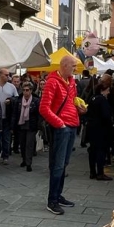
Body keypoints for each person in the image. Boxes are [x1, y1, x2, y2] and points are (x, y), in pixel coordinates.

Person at [39, 55, 86, 215]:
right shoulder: (52, 82)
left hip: (71, 125)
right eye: (73, 66)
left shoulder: (71, 82)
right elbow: (44, 108)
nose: (75, 69)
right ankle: (52, 200)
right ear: (64, 65)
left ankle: (58, 196)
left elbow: (71, 102)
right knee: (58, 165)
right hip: (62, 127)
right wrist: (61, 124)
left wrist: (79, 109)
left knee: (64, 164)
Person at [87, 74, 114, 181]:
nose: (109, 92)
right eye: (108, 90)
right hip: (101, 129)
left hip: (92, 127)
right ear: (103, 90)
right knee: (101, 151)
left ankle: (92, 172)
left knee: (93, 150)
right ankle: (100, 173)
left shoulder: (93, 98)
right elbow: (106, 115)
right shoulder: (102, 100)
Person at [0, 68, 18, 164]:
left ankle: (5, 155)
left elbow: (17, 99)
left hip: (7, 116)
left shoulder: (12, 87)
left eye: (8, 75)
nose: (8, 77)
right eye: (6, 75)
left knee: (6, 137)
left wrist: (10, 100)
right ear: (0, 75)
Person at [14, 81, 40, 172]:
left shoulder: (35, 100)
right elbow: (15, 113)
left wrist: (38, 126)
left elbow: (38, 114)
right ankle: (24, 160)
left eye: (27, 90)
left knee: (29, 144)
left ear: (31, 91)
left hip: (31, 125)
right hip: (21, 125)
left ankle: (29, 163)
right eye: (24, 90)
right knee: (23, 143)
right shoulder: (19, 100)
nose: (26, 92)